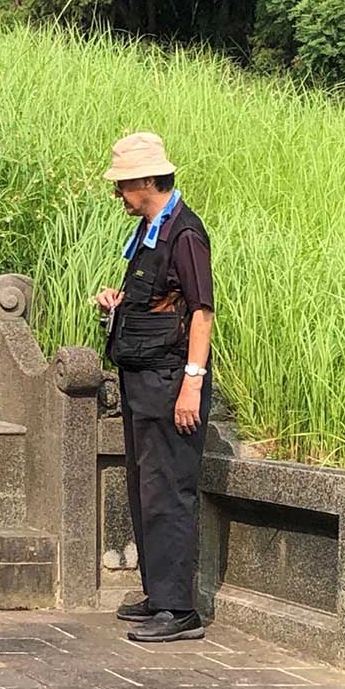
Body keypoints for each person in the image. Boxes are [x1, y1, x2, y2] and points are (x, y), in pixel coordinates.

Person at [94, 132, 214, 643]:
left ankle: (179, 609)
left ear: (146, 180)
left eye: (122, 185)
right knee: (146, 489)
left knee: (169, 490)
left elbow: (202, 311)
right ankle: (158, 594)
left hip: (170, 381)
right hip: (142, 377)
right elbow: (159, 302)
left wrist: (192, 383)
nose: (118, 194)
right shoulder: (149, 231)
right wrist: (117, 305)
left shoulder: (185, 233)